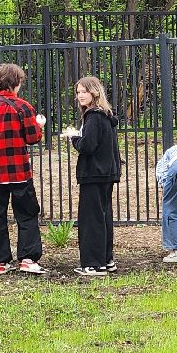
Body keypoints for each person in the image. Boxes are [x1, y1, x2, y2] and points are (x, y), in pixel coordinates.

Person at [0, 62, 46, 276]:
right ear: (16, 83)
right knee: (26, 213)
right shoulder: (23, 107)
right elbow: (33, 138)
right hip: (18, 172)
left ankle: (0, 261)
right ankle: (27, 258)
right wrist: (39, 126)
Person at [62, 75, 122, 278]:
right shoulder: (106, 114)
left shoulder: (93, 116)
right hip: (106, 172)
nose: (80, 96)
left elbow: (88, 146)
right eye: (78, 92)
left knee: (91, 219)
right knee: (103, 216)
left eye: (84, 92)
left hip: (94, 173)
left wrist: (74, 138)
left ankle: (93, 264)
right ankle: (106, 260)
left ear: (94, 92)